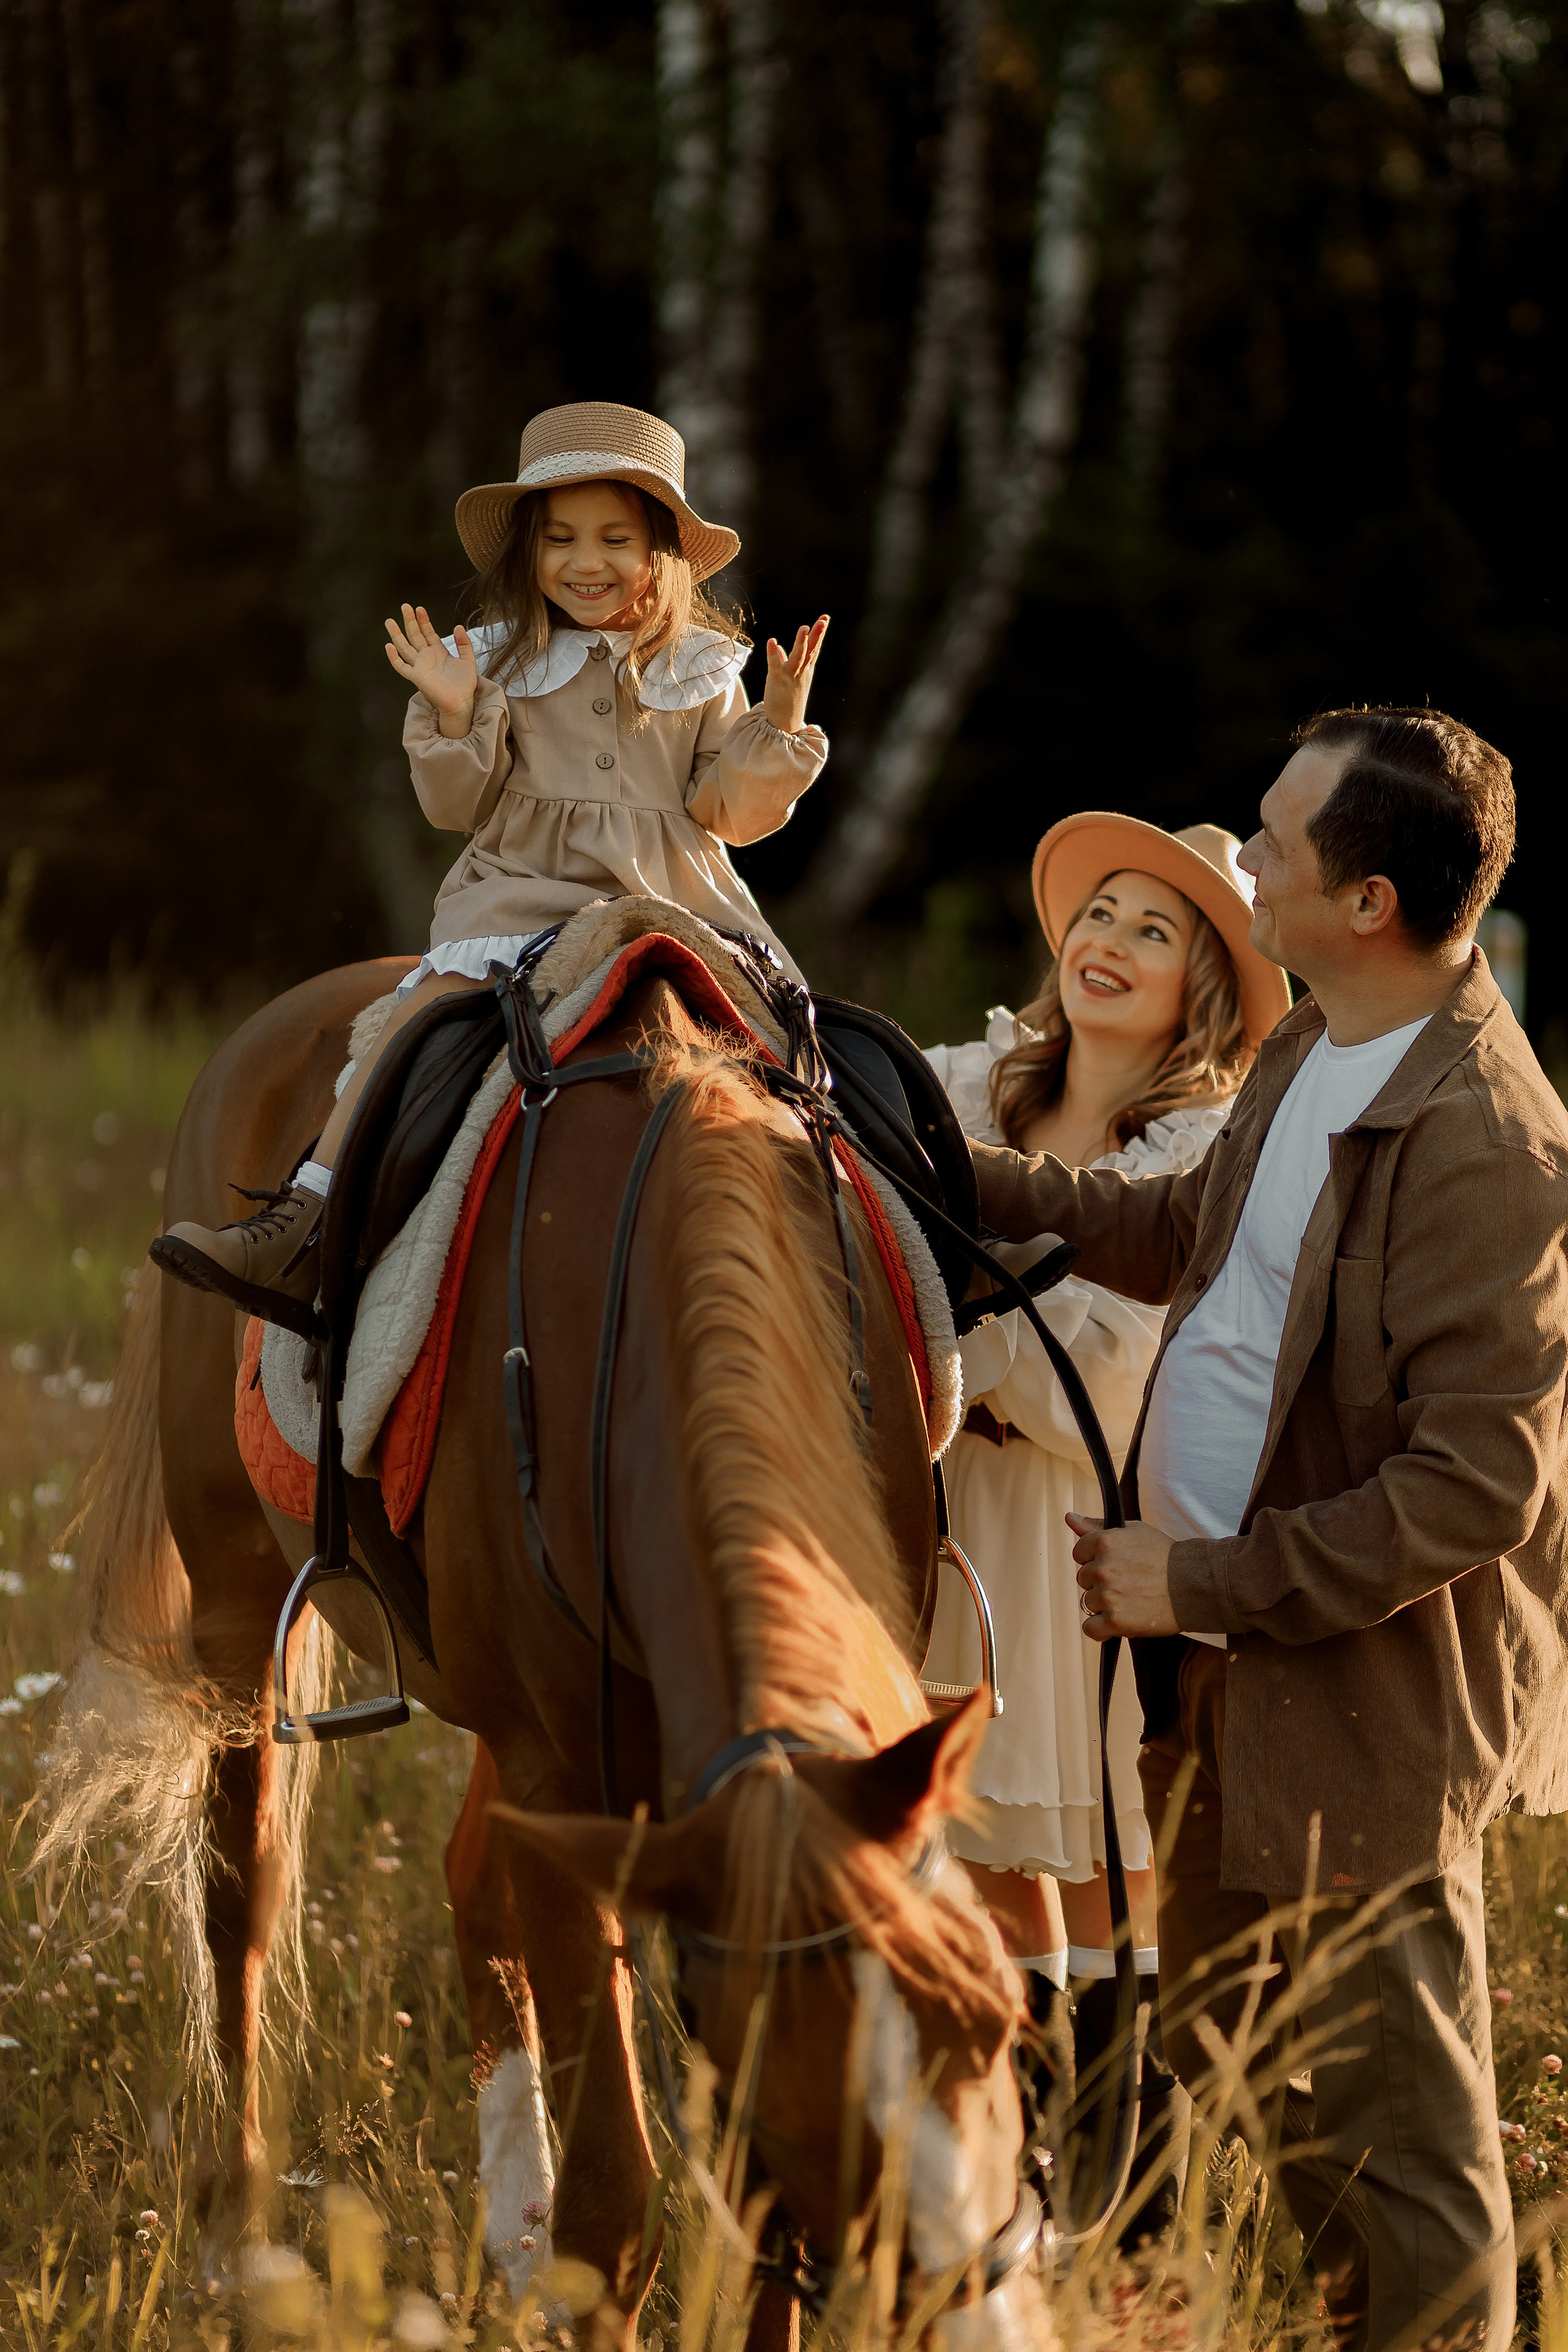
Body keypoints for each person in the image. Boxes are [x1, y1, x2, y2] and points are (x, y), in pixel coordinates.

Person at [971, 706, 1553, 2348]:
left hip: (1350, 1715)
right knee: (1243, 2045)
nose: (1244, 859)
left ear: (1363, 901)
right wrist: (976, 1176)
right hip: (1209, 1681)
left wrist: (1200, 1576)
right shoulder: (1313, 1040)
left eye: (1274, 844)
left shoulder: (1485, 1142)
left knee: (1409, 2155)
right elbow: (1185, 1232)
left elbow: (1475, 1489)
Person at [154, 399, 829, 1324]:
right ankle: (307, 1213)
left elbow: (726, 813)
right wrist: (458, 711)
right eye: (559, 539)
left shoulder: (704, 667)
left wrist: (777, 726)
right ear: (528, 550)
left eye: (613, 539)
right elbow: (457, 806)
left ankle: (907, 1226)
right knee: (412, 1017)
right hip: (520, 897)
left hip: (673, 896)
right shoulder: (495, 660)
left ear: (660, 549)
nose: (585, 564)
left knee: (805, 1042)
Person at [923, 817, 1288, 2221]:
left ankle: (1118, 2195)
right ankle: (1012, 2196)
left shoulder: (1198, 1139)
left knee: (1096, 1870)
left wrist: (955, 1340)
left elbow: (1107, 1369)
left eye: (1152, 931)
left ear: (1200, 982)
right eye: (1099, 915)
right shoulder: (976, 1088)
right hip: (957, 1518)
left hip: (1081, 1536)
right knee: (986, 1869)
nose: (1106, 946)